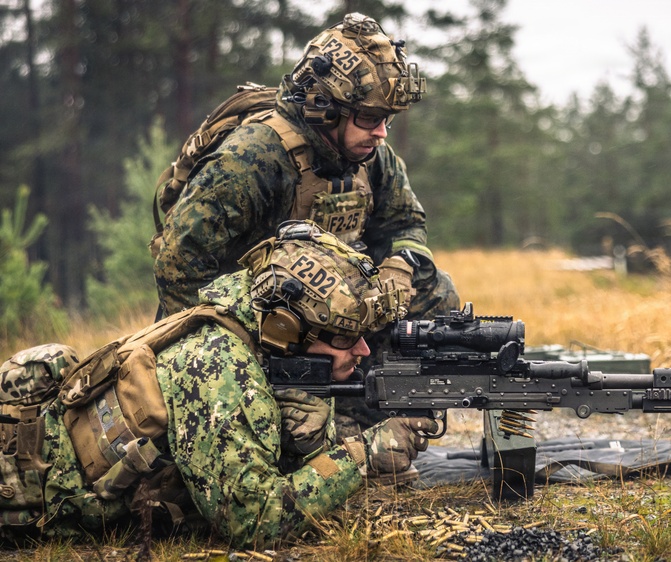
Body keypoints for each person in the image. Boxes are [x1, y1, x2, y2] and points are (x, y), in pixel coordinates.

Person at [0, 222, 436, 548]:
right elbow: (254, 520)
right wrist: (363, 453)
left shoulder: (247, 321)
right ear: (287, 327)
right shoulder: (221, 370)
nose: (361, 351)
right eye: (343, 339)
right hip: (23, 502)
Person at [152, 12, 460, 435]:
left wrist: (400, 264)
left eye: (388, 119)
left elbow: (405, 220)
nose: (383, 134)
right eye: (370, 118)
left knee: (434, 289)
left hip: (336, 316)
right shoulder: (251, 159)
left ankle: (372, 419)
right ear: (324, 109)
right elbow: (179, 269)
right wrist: (250, 351)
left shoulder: (372, 156)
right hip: (261, 326)